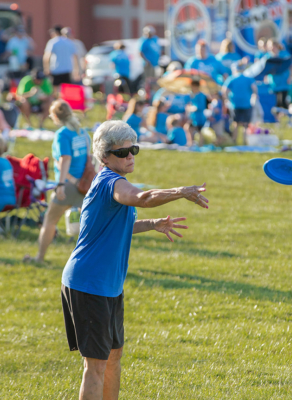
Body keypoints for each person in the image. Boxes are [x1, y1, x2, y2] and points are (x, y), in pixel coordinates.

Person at [60, 119, 208, 400]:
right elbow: (143, 197)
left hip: (108, 285)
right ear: (104, 156)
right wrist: (180, 192)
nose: (129, 157)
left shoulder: (115, 184)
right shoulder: (110, 182)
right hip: (88, 283)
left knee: (114, 356)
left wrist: (152, 224)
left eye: (133, 150)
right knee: (95, 365)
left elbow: (116, 224)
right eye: (122, 152)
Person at [24, 100, 89, 263]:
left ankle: (39, 257)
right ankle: (88, 261)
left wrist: (60, 185)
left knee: (49, 221)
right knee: (89, 226)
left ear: (54, 116)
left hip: (68, 186)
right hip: (84, 185)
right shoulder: (82, 131)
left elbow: (65, 159)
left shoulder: (62, 134)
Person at [222, 67, 257, 145]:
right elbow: (254, 88)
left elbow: (224, 90)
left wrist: (227, 100)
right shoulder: (248, 78)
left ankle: (234, 140)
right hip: (246, 104)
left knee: (235, 123)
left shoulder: (232, 78)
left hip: (235, 104)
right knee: (245, 124)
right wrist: (254, 97)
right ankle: (245, 141)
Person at [43, 26, 79, 92]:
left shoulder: (53, 42)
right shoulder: (69, 42)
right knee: (67, 90)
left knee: (55, 89)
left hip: (56, 69)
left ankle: (56, 101)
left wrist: (46, 68)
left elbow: (46, 56)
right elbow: (75, 57)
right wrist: (76, 70)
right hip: (67, 69)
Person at [265, 39, 291, 109]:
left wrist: (290, 77)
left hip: (284, 81)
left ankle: (285, 118)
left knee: (283, 101)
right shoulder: (267, 56)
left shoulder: (284, 54)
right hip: (274, 82)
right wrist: (266, 77)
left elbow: (290, 66)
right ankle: (279, 118)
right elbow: (265, 68)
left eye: (272, 46)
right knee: (276, 103)